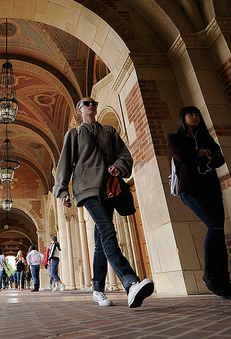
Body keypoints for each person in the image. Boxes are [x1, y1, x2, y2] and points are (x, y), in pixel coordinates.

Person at [53, 96, 155, 308]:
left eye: (94, 103)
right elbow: (64, 164)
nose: (92, 106)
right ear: (79, 111)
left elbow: (124, 155)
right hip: (87, 190)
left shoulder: (109, 131)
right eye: (87, 104)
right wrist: (62, 190)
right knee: (108, 230)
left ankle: (97, 289)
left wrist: (119, 166)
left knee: (101, 241)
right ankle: (130, 282)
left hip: (109, 189)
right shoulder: (74, 134)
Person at [167, 106, 231, 299]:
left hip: (211, 188)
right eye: (190, 114)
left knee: (219, 232)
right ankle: (210, 277)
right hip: (190, 190)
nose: (195, 117)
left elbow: (219, 159)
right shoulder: (174, 138)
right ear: (182, 117)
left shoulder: (206, 138)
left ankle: (224, 284)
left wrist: (201, 153)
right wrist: (202, 154)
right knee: (214, 227)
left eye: (197, 114)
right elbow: (182, 157)